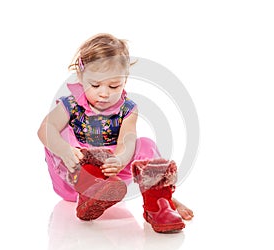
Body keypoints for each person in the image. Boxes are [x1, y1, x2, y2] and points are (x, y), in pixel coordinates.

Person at [37, 33, 193, 233]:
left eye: (114, 86)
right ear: (81, 77)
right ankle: (89, 191)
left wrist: (119, 160)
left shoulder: (127, 109)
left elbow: (127, 140)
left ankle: (159, 202)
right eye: (95, 85)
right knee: (58, 131)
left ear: (125, 81)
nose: (104, 93)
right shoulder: (72, 104)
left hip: (112, 174)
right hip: (72, 174)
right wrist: (65, 150)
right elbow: (44, 129)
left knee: (144, 144)